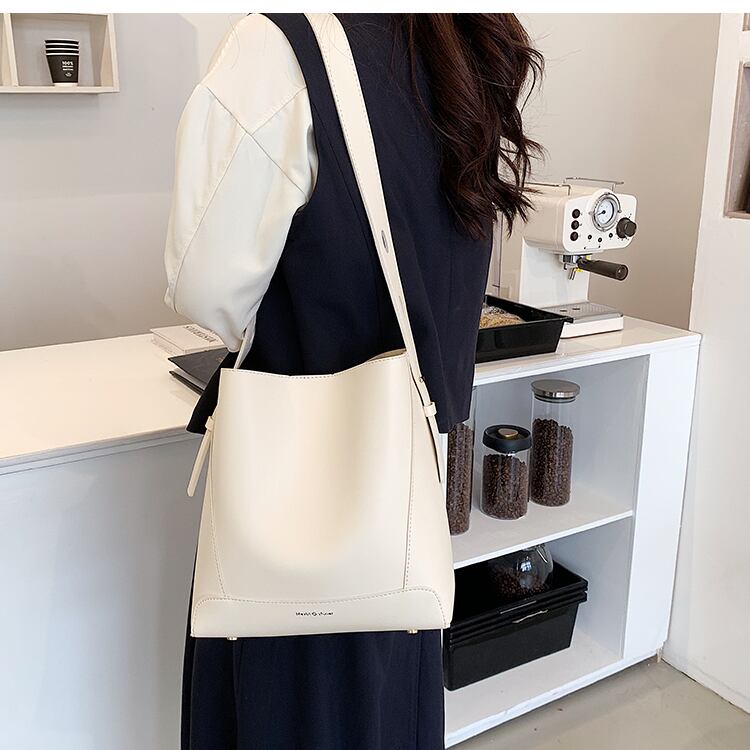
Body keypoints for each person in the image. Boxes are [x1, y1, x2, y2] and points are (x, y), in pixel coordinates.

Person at [164, 13, 542, 750]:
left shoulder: (280, 47)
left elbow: (202, 289)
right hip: (403, 499)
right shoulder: (462, 41)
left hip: (293, 499)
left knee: (287, 712)